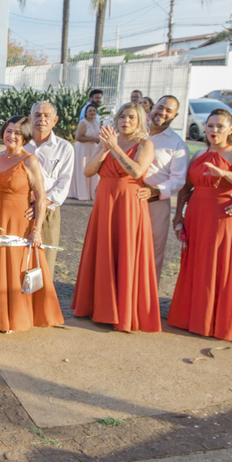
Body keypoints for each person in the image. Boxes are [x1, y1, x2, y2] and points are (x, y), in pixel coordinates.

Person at [168, 109, 232, 341]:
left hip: (224, 216)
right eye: (210, 126)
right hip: (197, 214)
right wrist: (179, 216)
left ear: (231, 129)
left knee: (219, 264)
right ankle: (192, 317)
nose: (214, 130)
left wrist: (225, 174)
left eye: (219, 126)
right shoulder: (198, 153)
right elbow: (185, 188)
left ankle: (218, 320)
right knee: (197, 262)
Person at [71, 102, 160, 332]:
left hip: (129, 204)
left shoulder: (145, 144)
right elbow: (88, 171)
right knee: (102, 252)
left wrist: (116, 148)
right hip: (105, 202)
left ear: (139, 120)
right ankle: (98, 307)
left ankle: (124, 311)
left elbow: (137, 171)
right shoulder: (108, 142)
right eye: (122, 116)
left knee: (126, 252)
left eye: (131, 117)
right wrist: (104, 148)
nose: (125, 121)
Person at [0, 115, 62, 332]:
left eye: (18, 133)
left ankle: (11, 317)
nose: (12, 136)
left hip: (17, 223)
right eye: (9, 131)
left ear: (25, 136)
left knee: (12, 267)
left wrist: (36, 230)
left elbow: (40, 197)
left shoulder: (30, 160)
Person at [137, 96, 190, 278]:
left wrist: (154, 190)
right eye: (160, 107)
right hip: (126, 200)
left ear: (175, 115)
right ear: (153, 107)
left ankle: (145, 301)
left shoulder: (177, 145)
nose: (163, 112)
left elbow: (178, 180)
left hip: (155, 203)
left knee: (152, 252)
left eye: (169, 110)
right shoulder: (134, 130)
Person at [25, 101, 74, 278]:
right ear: (30, 118)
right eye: (37, 115)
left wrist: (41, 203)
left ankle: (44, 302)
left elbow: (63, 184)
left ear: (55, 120)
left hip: (48, 211)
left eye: (47, 116)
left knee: (44, 261)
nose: (42, 119)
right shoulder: (20, 143)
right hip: (21, 210)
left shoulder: (64, 148)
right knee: (19, 260)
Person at [70, 103, 102, 200]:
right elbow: (78, 137)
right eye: (90, 111)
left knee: (93, 167)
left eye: (94, 110)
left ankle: (92, 192)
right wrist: (93, 139)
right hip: (83, 148)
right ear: (86, 113)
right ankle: (82, 192)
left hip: (93, 149)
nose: (92, 112)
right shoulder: (83, 122)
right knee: (83, 168)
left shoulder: (96, 122)